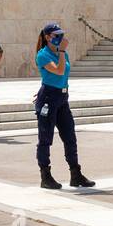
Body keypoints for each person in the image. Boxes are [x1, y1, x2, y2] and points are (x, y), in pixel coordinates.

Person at [34, 23, 93, 190]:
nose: (60, 37)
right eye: (56, 35)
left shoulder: (63, 54)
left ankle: (76, 174)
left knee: (70, 136)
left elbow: (63, 76)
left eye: (61, 34)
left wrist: (61, 52)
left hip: (61, 97)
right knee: (45, 139)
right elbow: (58, 71)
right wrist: (44, 94)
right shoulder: (43, 55)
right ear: (47, 37)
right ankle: (45, 176)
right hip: (49, 98)